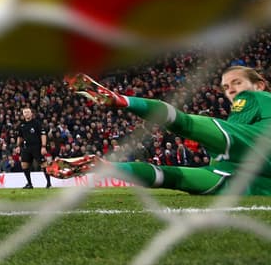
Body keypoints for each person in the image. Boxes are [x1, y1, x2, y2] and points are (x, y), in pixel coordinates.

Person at [52, 67, 271, 195]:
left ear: (260, 85)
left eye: (236, 82)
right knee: (174, 178)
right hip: (258, 179)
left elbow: (231, 141)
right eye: (225, 87)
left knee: (184, 124)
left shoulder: (255, 96)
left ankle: (121, 100)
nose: (231, 89)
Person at [16, 106, 50, 189]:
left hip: (37, 147)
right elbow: (20, 136)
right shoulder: (21, 125)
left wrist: (43, 146)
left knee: (43, 164)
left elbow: (43, 134)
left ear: (31, 113)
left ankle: (49, 183)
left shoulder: (37, 123)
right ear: (23, 115)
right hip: (26, 148)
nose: (26, 113)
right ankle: (29, 184)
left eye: (28, 112)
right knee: (24, 165)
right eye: (25, 112)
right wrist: (18, 146)